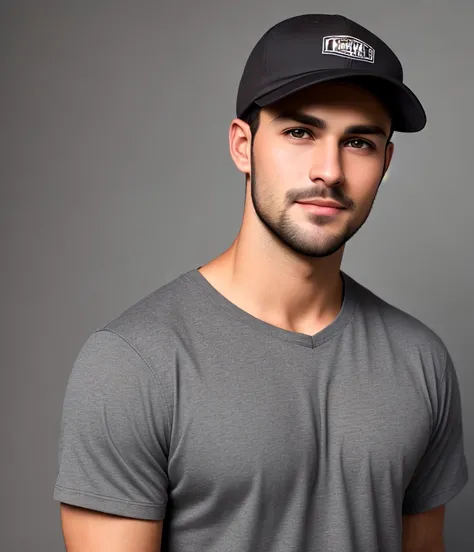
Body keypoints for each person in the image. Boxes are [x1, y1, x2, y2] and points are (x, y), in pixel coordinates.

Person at [53, 13, 469, 552]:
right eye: (300, 132)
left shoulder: (421, 361)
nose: (330, 170)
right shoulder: (134, 363)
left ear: (386, 161)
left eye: (359, 142)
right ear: (242, 146)